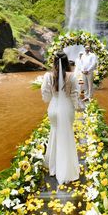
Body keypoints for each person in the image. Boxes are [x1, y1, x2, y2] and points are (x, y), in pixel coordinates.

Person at [41, 51, 79, 184]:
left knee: (54, 132)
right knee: (66, 135)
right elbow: (75, 95)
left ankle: (53, 167)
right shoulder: (73, 76)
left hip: (53, 109)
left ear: (54, 62)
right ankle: (66, 167)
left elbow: (45, 98)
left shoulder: (48, 76)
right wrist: (78, 106)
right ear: (67, 61)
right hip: (67, 108)